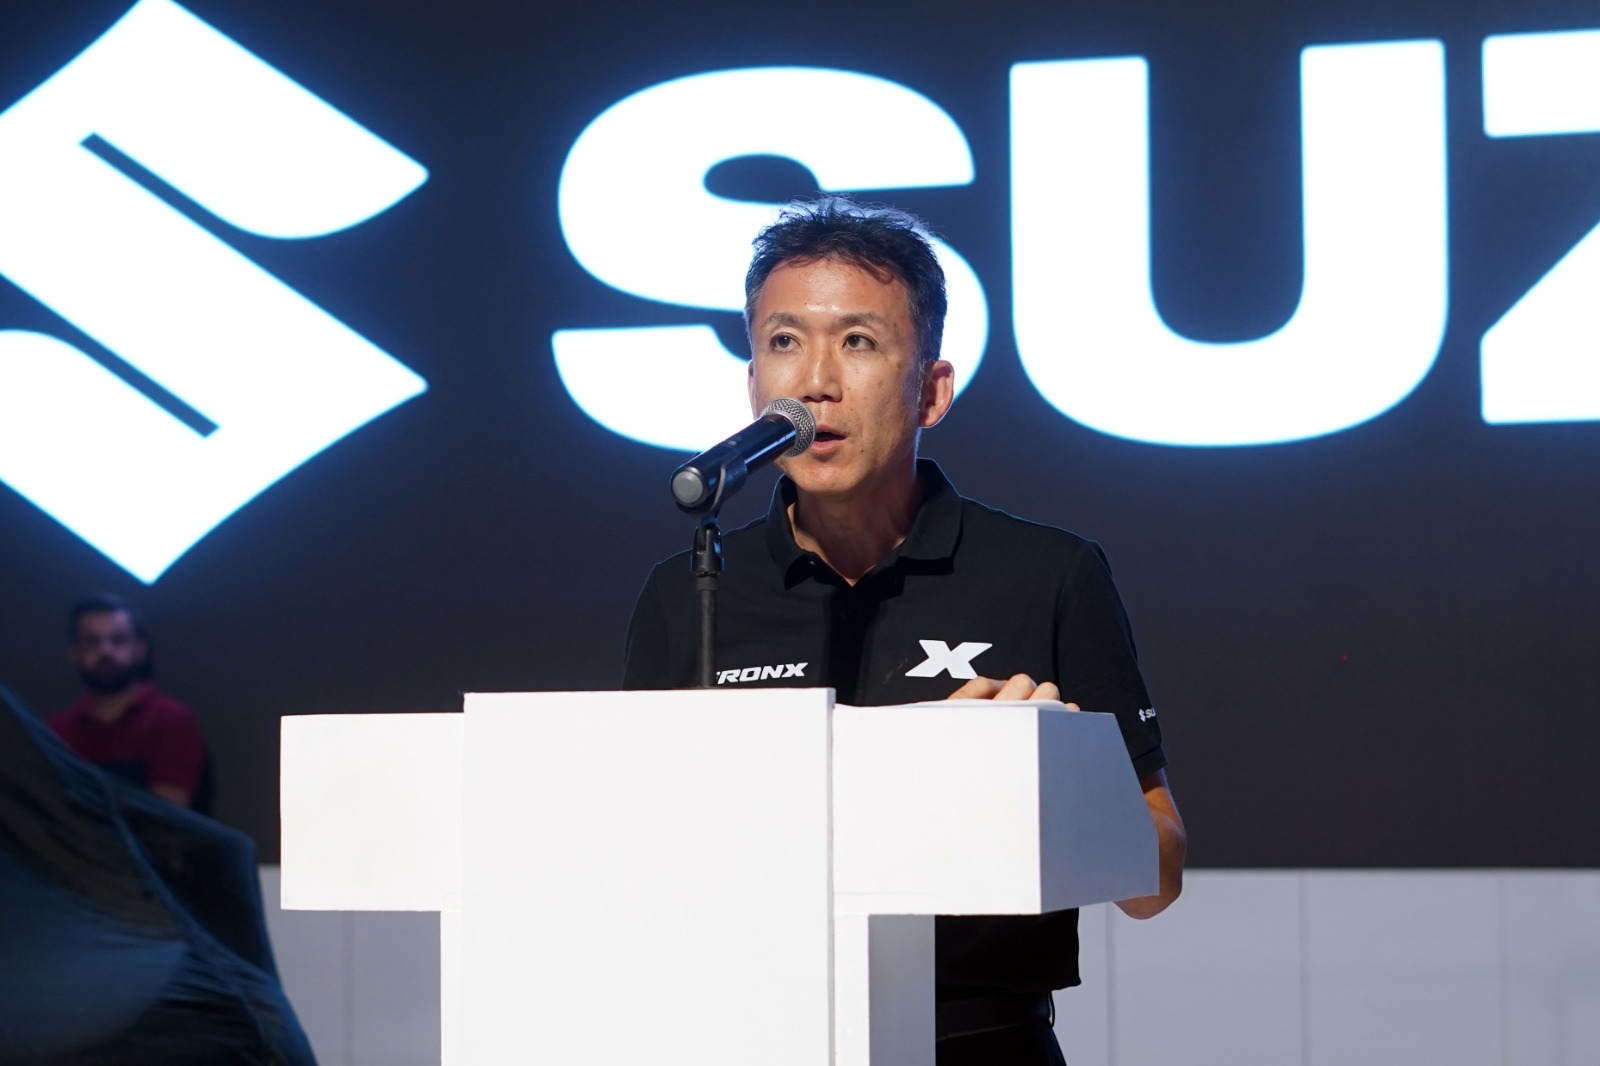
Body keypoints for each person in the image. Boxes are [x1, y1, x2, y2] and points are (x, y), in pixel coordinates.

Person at [624, 196, 1185, 1065]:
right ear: (752, 383)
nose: (815, 381)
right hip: (755, 1035)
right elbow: (638, 864)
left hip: (979, 1040)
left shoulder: (1047, 574)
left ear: (931, 390)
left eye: (858, 341)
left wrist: (1047, 775)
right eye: (784, 341)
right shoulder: (690, 592)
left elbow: (1159, 876)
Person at [48, 594, 212, 813]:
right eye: (92, 641)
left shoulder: (173, 719)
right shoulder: (56, 732)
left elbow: (166, 816)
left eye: (118, 640)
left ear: (141, 649)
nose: (105, 651)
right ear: (75, 652)